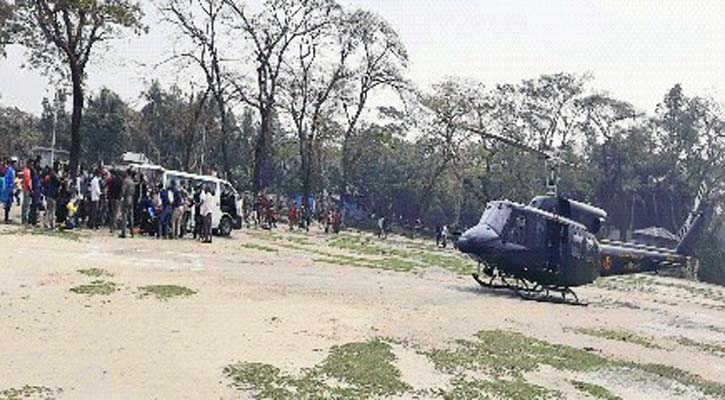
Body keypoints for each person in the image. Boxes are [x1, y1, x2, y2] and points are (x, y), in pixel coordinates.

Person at [119, 169, 136, 238]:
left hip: (126, 198)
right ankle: (132, 232)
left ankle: (124, 232)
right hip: (131, 198)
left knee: (124, 215)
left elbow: (123, 190)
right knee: (131, 216)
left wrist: (121, 197)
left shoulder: (126, 181)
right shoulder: (132, 181)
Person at [3, 158, 16, 223]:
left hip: (11, 188)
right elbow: (7, 179)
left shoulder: (12, 170)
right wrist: (10, 187)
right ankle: (6, 218)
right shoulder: (10, 170)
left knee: (10, 204)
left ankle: (7, 218)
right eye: (15, 163)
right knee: (7, 204)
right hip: (8, 189)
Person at [21, 159, 33, 226]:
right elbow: (28, 181)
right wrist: (30, 190)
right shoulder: (27, 171)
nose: (31, 165)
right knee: (26, 205)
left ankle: (24, 219)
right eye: (31, 164)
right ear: (28, 164)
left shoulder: (26, 170)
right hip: (27, 189)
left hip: (25, 189)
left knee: (25, 204)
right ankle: (25, 220)